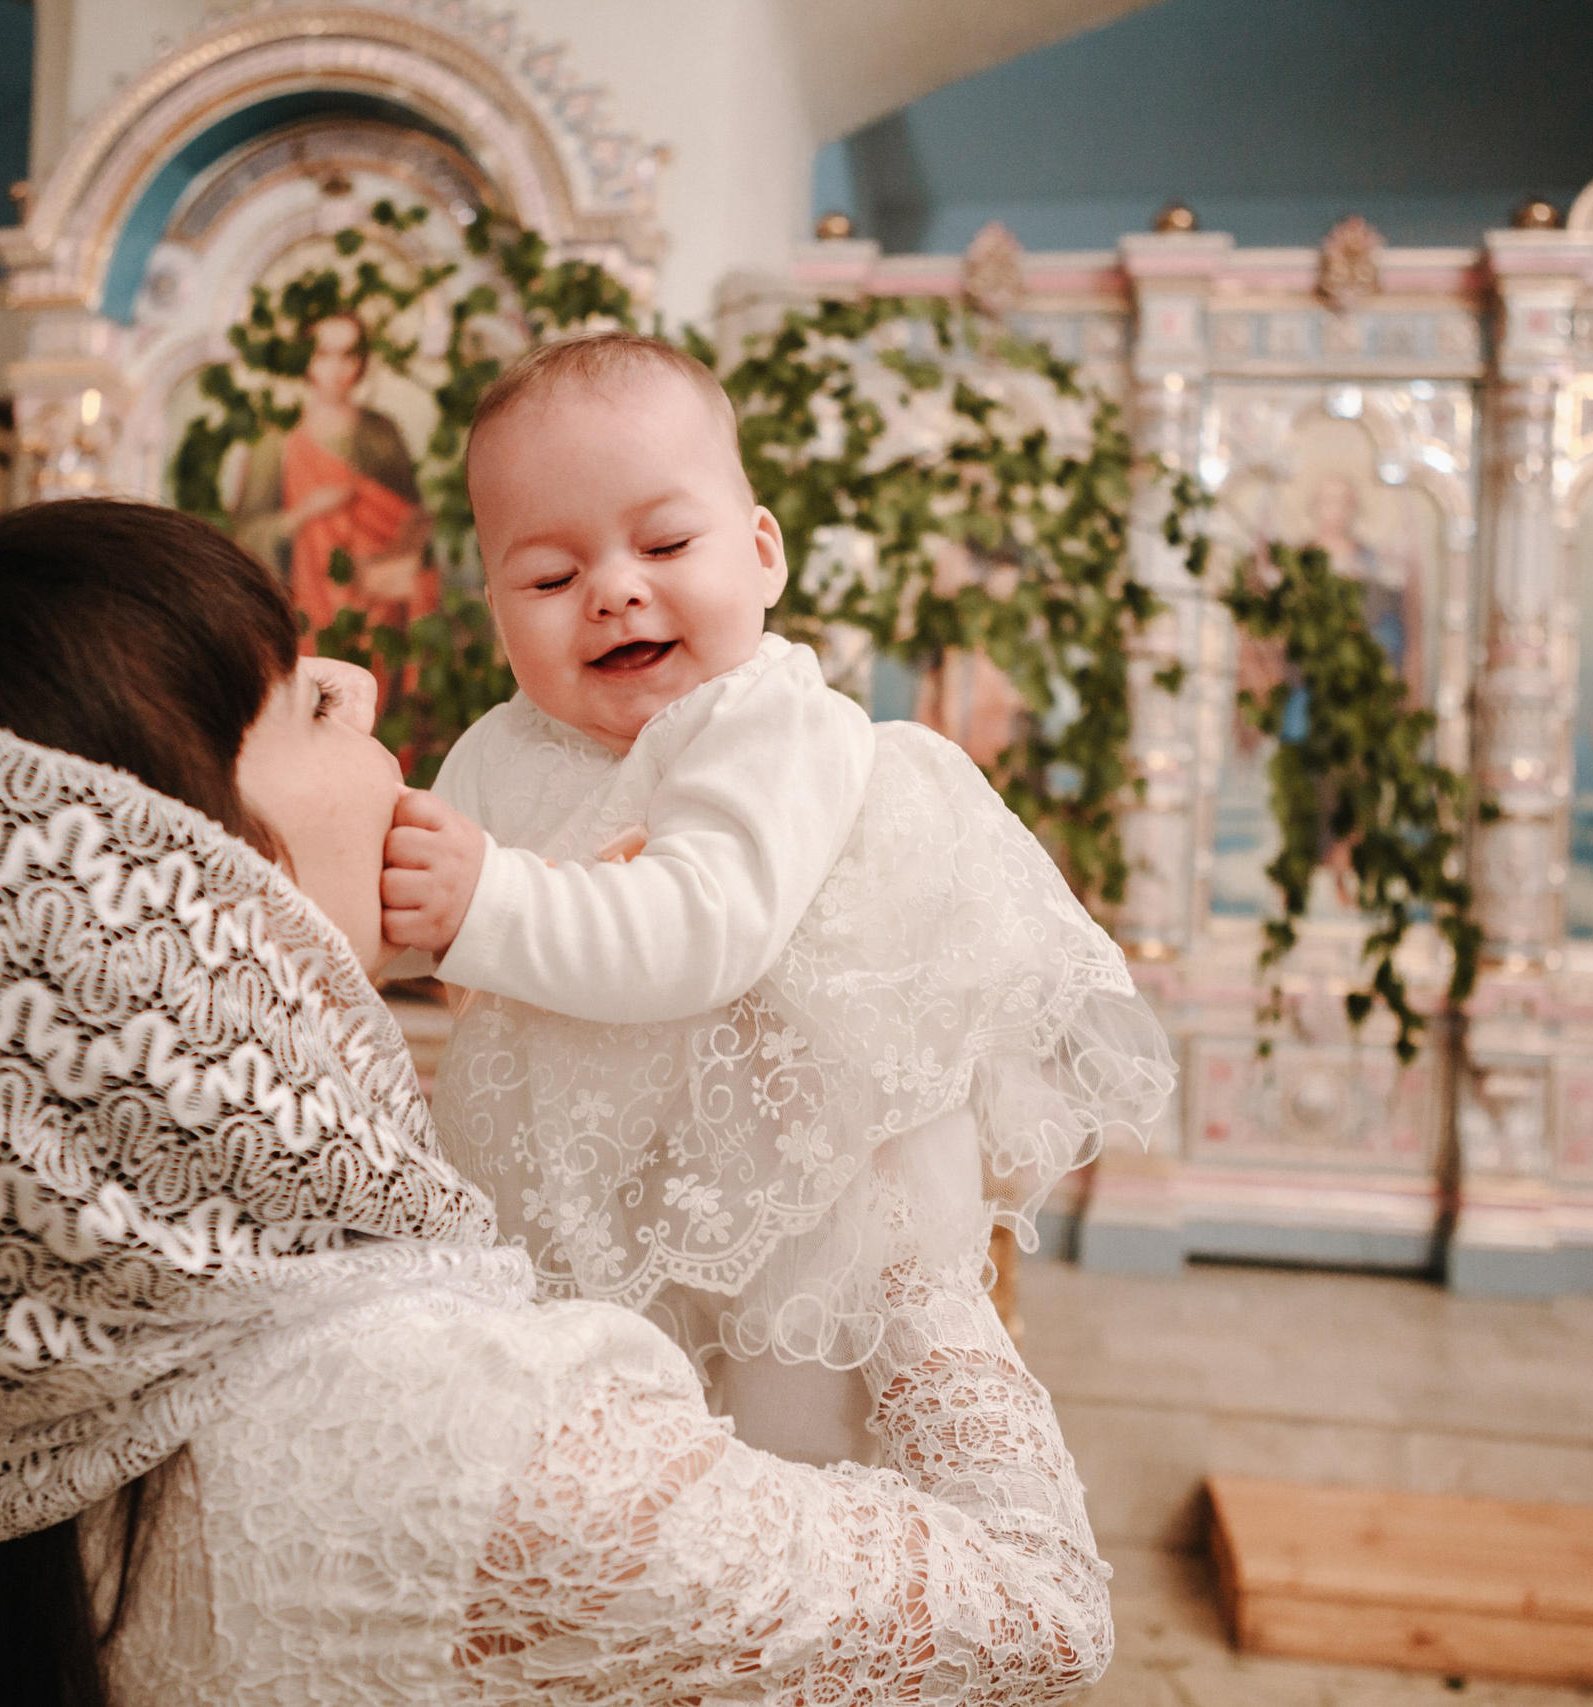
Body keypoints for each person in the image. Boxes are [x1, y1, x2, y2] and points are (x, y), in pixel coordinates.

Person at [0, 498, 1122, 1707]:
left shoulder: (34, 1383)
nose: (367, 691)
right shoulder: (453, 1434)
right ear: (170, 897)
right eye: (309, 698)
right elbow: (1040, 1610)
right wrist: (888, 1160)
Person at [379, 334, 1173, 1466]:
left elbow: (707, 931)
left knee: (792, 1445)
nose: (613, 590)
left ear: (761, 556)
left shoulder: (766, 723)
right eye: (549, 577)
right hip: (597, 1171)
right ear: (495, 605)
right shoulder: (499, 754)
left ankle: (815, 1576)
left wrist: (493, 903)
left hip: (797, 1190)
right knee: (605, 1433)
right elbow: (443, 939)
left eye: (664, 542)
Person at [232, 311, 436, 641]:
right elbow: (247, 537)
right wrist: (305, 513)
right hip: (307, 609)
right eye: (323, 354)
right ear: (304, 359)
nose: (337, 369)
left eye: (348, 355)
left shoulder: (381, 433)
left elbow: (412, 523)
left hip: (378, 606)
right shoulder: (276, 439)